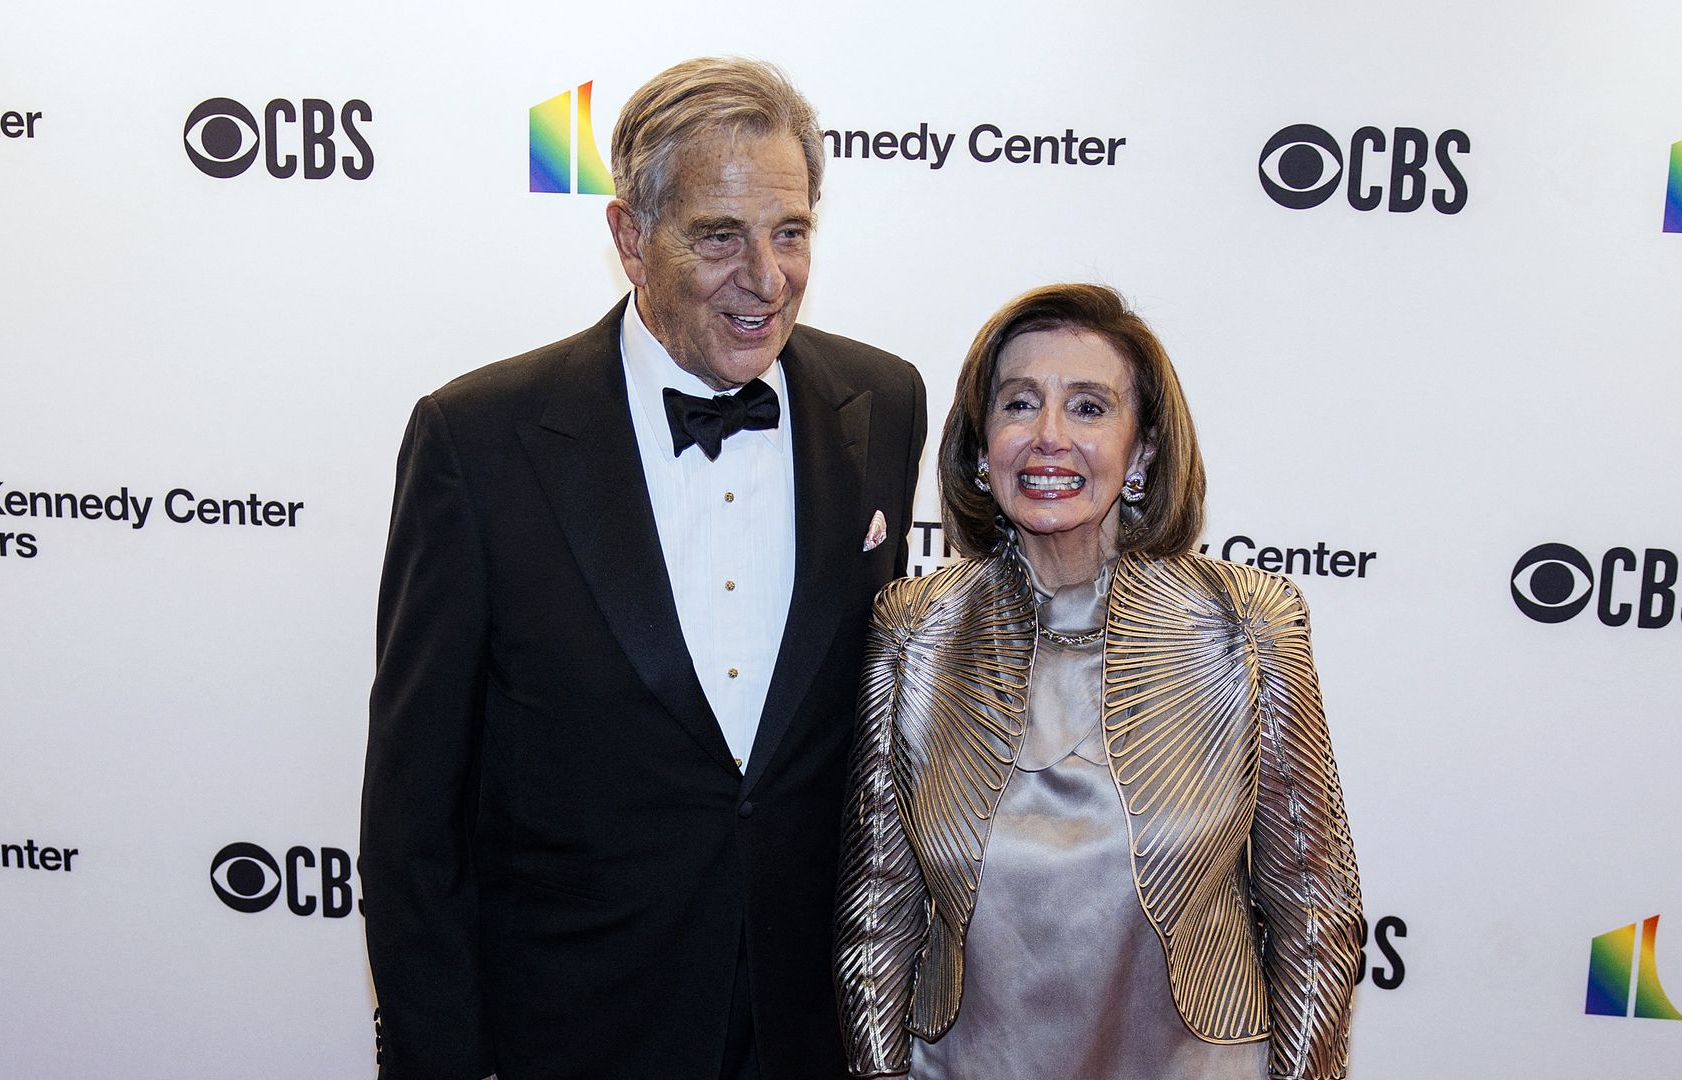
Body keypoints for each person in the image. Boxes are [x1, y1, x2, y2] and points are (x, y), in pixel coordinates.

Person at [361, 57, 926, 1080]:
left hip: (810, 1027)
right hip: (575, 1023)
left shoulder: (882, 402)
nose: (767, 278)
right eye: (719, 236)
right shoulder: (479, 440)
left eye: (790, 232)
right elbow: (414, 810)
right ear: (629, 237)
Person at [834, 283, 1362, 1079]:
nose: (1049, 437)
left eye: (1088, 408)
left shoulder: (1246, 624)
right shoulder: (916, 632)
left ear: (1142, 451)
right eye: (1019, 404)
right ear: (980, 445)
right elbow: (876, 919)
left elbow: (1315, 913)